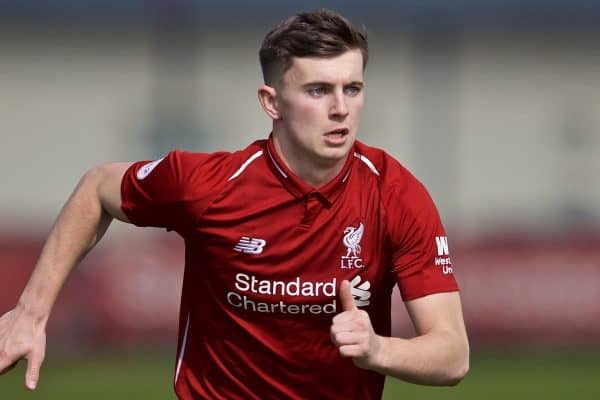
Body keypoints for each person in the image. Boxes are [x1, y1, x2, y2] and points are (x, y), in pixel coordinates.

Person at [0, 9, 469, 399]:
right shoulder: (209, 186)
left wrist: (377, 350)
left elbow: (452, 354)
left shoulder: (396, 194)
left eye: (353, 88)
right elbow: (98, 187)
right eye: (318, 90)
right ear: (272, 102)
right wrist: (31, 311)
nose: (341, 108)